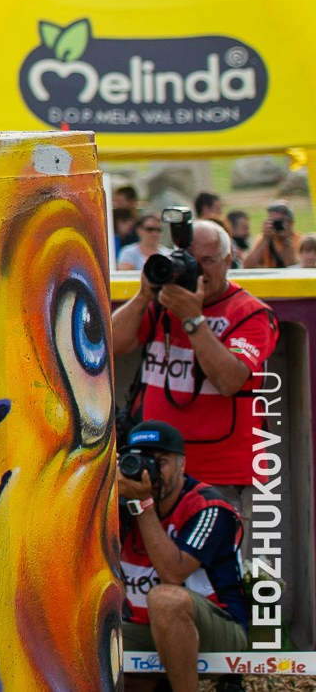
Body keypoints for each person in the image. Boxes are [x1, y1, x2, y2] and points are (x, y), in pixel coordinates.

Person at [113, 218, 278, 491]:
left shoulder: (250, 314)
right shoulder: (165, 301)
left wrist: (192, 320)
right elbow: (112, 346)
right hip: (156, 467)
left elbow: (229, 380)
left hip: (219, 474)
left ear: (228, 261)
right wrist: (143, 296)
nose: (197, 270)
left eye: (208, 260)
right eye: (189, 260)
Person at [117, 421, 250, 692]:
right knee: (78, 633)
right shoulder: (117, 503)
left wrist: (142, 505)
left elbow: (173, 574)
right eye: (141, 460)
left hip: (217, 626)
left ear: (182, 465)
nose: (150, 472)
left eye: (161, 461)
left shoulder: (209, 507)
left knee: (165, 600)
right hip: (145, 627)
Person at [241, 201, 296, 270]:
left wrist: (285, 241)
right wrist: (265, 239)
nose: (277, 225)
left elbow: (293, 267)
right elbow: (247, 266)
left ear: (291, 222)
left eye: (280, 221)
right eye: (274, 222)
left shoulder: (299, 240)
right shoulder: (262, 240)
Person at [112, 183, 141, 251]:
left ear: (132, 202)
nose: (118, 205)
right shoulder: (112, 218)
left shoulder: (140, 222)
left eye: (121, 202)